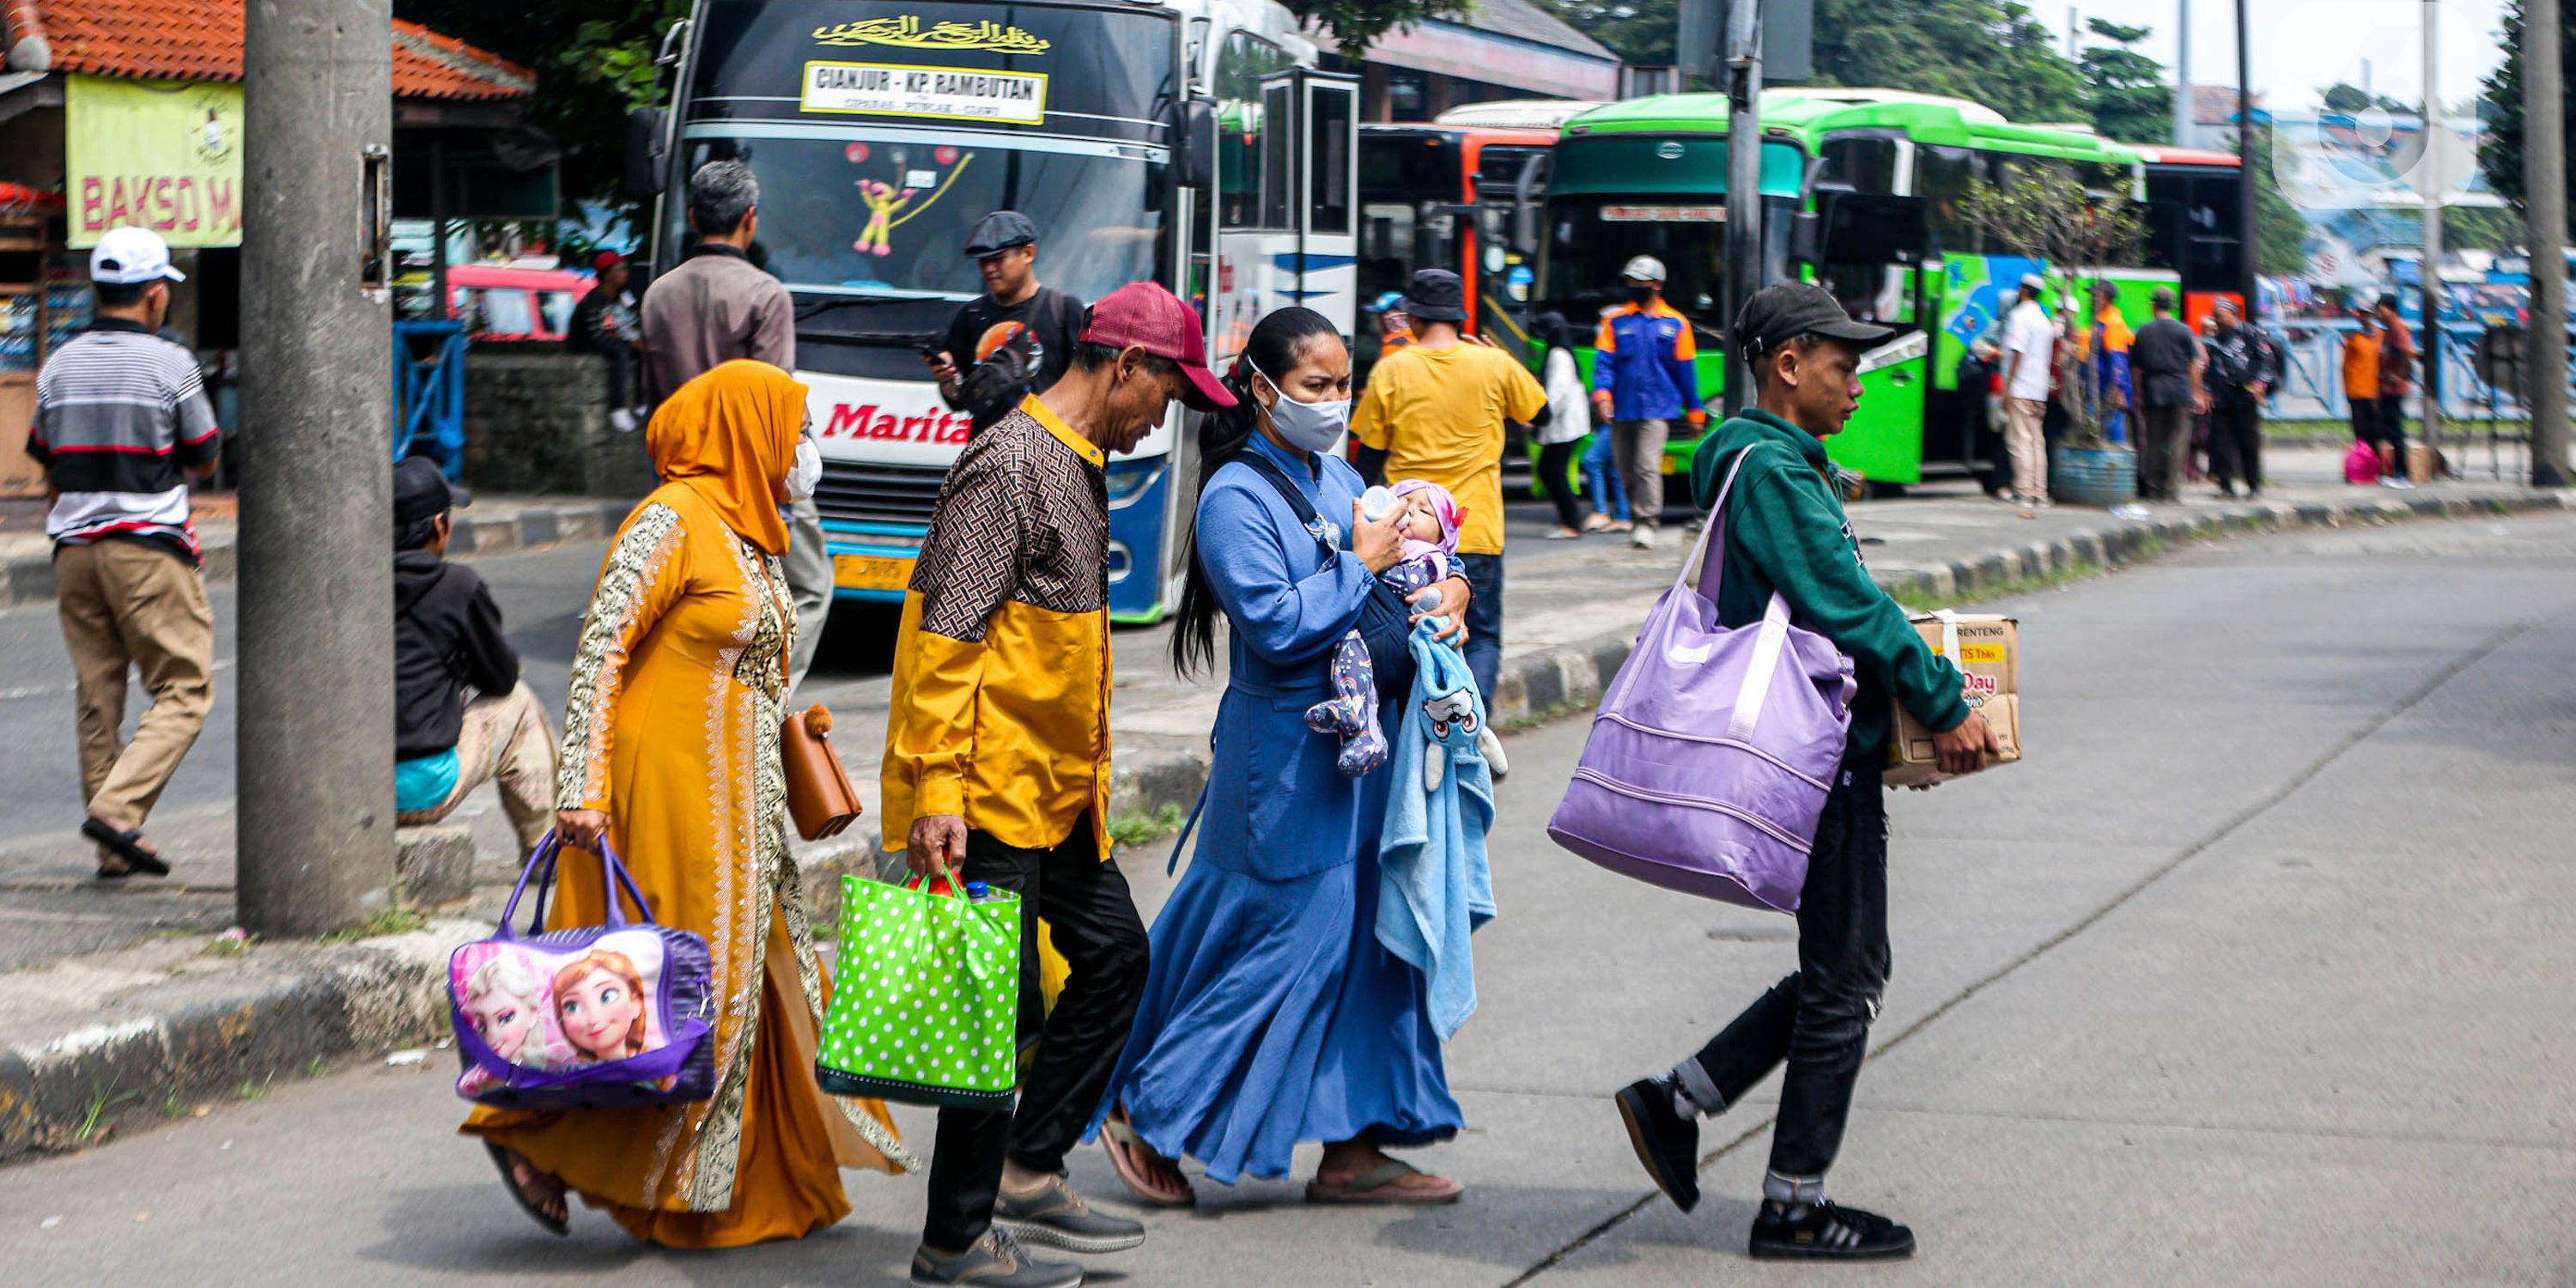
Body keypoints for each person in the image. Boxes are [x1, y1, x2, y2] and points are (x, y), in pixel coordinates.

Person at [463, 361, 911, 1247]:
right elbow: (602, 651)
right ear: (744, 429)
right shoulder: (670, 518)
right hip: (665, 794)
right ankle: (539, 1142)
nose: (803, 450)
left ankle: (757, 1177)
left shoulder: (751, 531)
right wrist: (581, 786)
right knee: (667, 991)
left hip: (744, 798)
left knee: (757, 974)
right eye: (792, 429)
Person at [1613, 283, 2000, 1262]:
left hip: (1813, 744)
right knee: (1845, 981)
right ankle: (1791, 1202)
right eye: (1844, 364)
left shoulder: (1762, 460)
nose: (1859, 384)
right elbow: (1848, 607)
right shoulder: (1774, 470)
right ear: (1788, 364)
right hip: (1815, 752)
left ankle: (1679, 1099)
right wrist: (1947, 705)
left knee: (1848, 968)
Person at [1091, 306, 1479, 1213]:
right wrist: (1358, 559)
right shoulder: (1234, 497)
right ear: (1261, 389)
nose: (1334, 402)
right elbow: (1274, 623)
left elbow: (1411, 560)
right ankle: (1151, 1111)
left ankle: (1356, 1143)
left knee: (1372, 941)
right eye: (1315, 385)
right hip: (1283, 755)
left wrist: (1451, 586)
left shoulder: (1338, 472)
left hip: (1365, 750)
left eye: (1343, 384)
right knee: (1287, 943)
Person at [883, 282, 1230, 1288]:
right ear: (1123, 366)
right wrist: (937, 791)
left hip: (1059, 799)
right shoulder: (1010, 465)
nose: (1165, 412)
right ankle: (953, 1239)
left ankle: (1029, 1168)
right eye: (1165, 390)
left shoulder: (1077, 461)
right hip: (989, 791)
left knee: (1117, 959)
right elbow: (947, 641)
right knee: (995, 1013)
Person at [27, 227, 216, 879]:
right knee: (185, 687)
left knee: (98, 691)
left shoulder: (58, 364)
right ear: (155, 296)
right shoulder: (171, 364)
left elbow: (46, 468)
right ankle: (117, 811)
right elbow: (206, 453)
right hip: (147, 549)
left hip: (74, 551)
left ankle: (114, 845)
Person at [641, 160, 832, 693]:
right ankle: (767, 692)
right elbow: (774, 404)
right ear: (750, 219)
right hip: (749, 479)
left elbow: (652, 399)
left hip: (678, 478)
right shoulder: (765, 294)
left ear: (693, 216)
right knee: (810, 587)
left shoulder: (658, 294)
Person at [1350, 269, 1546, 703]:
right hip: (1474, 530)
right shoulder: (1493, 365)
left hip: (1408, 535)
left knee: (1404, 629)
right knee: (1480, 637)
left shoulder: (1392, 369)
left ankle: (1414, 735)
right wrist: (1502, 359)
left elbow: (1368, 458)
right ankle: (1470, 727)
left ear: (1413, 318)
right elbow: (1543, 414)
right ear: (1460, 317)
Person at [392, 456, 556, 853]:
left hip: (354, 790)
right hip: (425, 791)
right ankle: (543, 848)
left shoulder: (352, 583)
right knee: (519, 702)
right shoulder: (457, 586)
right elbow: (499, 678)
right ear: (438, 526)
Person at [924, 211, 1087, 440]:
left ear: (1028, 253)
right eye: (983, 261)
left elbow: (1088, 389)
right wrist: (947, 379)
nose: (989, 269)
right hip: (987, 455)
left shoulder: (1064, 310)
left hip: (1050, 453)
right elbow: (959, 401)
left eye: (998, 259)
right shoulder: (970, 316)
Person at [1589, 255, 1708, 550]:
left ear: (1656, 285)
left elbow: (1686, 371)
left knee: (1646, 466)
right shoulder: (1615, 322)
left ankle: (1646, 522)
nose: (1633, 287)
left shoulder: (1676, 324)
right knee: (1625, 469)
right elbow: (1604, 364)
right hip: (1623, 408)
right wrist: (1602, 395)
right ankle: (1633, 513)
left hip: (1658, 408)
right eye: (1630, 282)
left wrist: (1695, 411)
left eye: (1640, 283)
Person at [2129, 287, 2205, 503]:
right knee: (2178, 441)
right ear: (2171, 306)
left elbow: (2136, 368)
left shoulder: (2144, 331)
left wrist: (2138, 394)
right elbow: (2194, 365)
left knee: (2154, 441)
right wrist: (2197, 393)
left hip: (2153, 389)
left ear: (2153, 305)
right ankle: (2171, 490)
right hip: (2180, 389)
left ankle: (2153, 489)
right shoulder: (2184, 330)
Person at [2203, 299, 2278, 499]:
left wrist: (2260, 385)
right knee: (2221, 444)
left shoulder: (2250, 334)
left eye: (2220, 315)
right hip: (2222, 399)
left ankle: (2253, 486)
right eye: (2215, 316)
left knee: (2248, 443)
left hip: (2245, 397)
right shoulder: (2216, 340)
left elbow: (2267, 361)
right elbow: (2210, 368)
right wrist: (2207, 391)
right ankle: (2226, 486)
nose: (2217, 319)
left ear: (2232, 314)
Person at [567, 251, 647, 432]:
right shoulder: (593, 300)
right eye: (620, 270)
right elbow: (596, 335)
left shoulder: (621, 295)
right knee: (620, 353)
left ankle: (641, 402)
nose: (625, 274)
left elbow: (630, 320)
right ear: (607, 275)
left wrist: (636, 339)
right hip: (584, 342)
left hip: (606, 337)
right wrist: (627, 343)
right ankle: (617, 408)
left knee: (644, 351)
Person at [1531, 311, 1593, 539]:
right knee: (1551, 471)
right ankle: (1569, 519)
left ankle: (1571, 522)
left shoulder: (1558, 355)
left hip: (1566, 426)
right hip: (1566, 425)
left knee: (1552, 471)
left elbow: (1558, 392)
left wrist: (1539, 415)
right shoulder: (1563, 353)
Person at [2000, 273, 2054, 509]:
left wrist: (2008, 386)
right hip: (2039, 389)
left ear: (2023, 291)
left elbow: (2017, 352)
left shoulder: (2019, 317)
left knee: (2020, 441)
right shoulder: (2044, 321)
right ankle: (2039, 492)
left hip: (2021, 386)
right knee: (2036, 442)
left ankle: (2023, 491)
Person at [2374, 294, 2418, 488]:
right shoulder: (2389, 330)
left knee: (2396, 431)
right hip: (2386, 387)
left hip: (2395, 388)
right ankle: (2394, 472)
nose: (2378, 313)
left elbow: (2408, 355)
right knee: (2389, 431)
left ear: (2390, 309)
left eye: (2381, 309)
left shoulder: (2398, 329)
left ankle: (2403, 474)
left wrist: (2400, 377)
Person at [2088, 282, 2134, 445]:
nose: (2091, 300)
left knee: (2112, 437)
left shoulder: (2112, 323)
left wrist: (2119, 389)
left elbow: (2117, 358)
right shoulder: (2101, 321)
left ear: (2106, 299)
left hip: (2108, 389)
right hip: (2099, 387)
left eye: (2095, 296)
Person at [2342, 308, 2385, 478]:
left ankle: (2377, 467)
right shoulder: (2354, 338)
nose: (2365, 318)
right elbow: (2346, 367)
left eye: (2368, 314)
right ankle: (2362, 467)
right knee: (2360, 432)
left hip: (2375, 391)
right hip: (2356, 390)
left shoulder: (2381, 336)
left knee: (2377, 431)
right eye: (2362, 315)